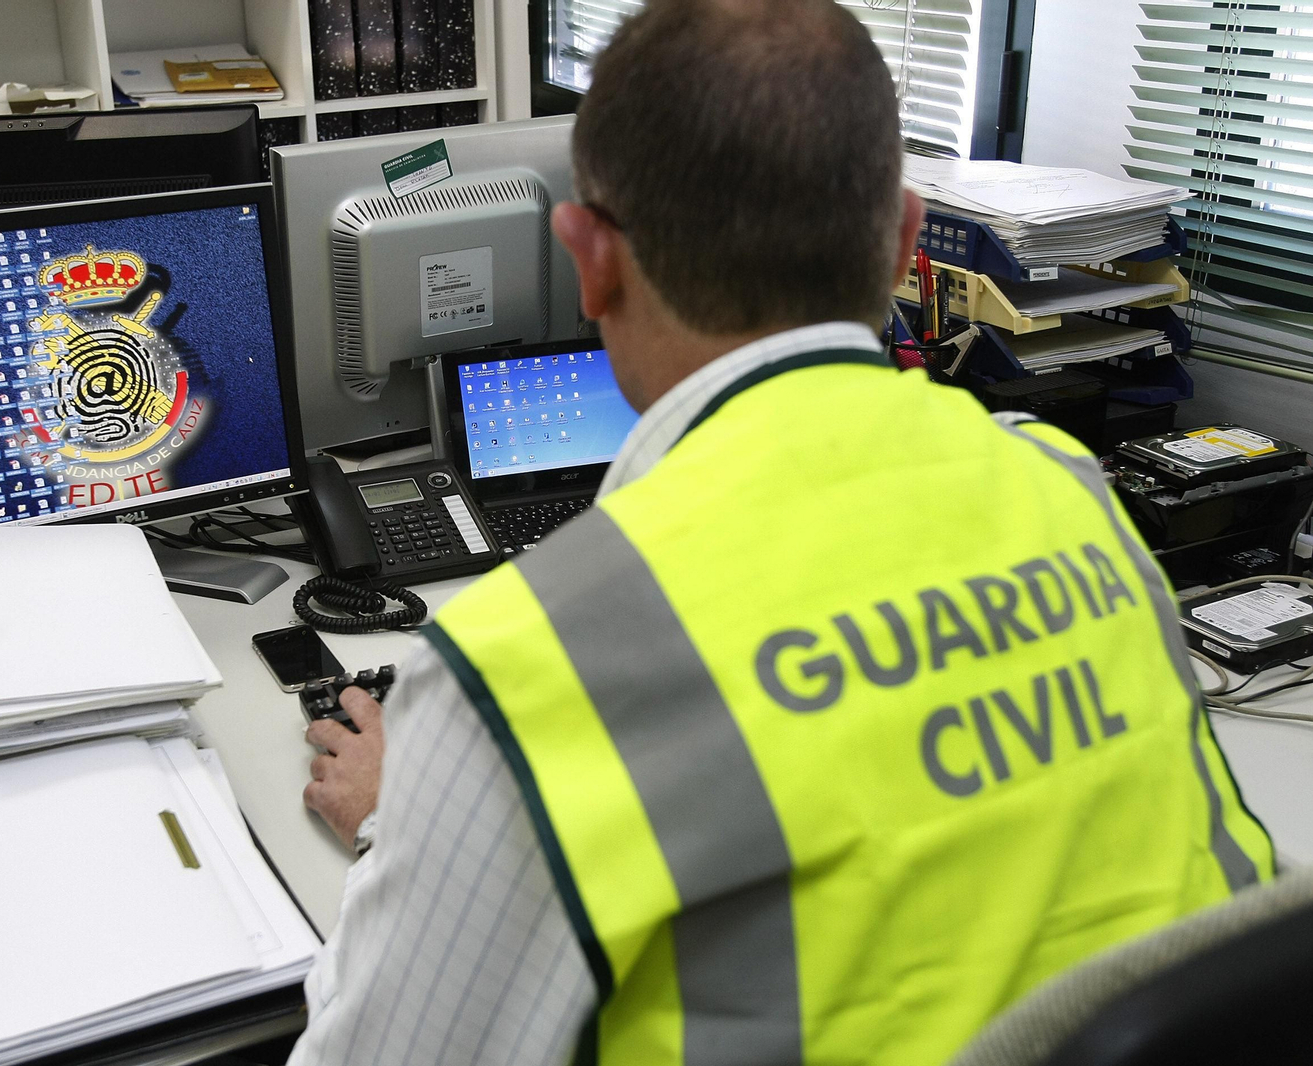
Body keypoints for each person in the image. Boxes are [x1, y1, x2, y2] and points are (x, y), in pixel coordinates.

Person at [291, 0, 1275, 1062]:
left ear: (588, 257)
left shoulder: (529, 663)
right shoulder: (1065, 482)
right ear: (904, 243)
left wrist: (414, 821)